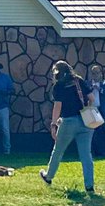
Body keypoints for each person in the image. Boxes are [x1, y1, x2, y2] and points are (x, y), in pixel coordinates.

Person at [38, 61, 96, 194]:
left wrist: (53, 124)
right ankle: (89, 185)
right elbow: (92, 98)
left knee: (58, 151)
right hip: (85, 121)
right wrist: (88, 109)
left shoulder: (59, 86)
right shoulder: (79, 81)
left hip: (68, 121)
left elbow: (58, 106)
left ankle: (48, 177)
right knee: (86, 154)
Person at [88, 65, 105, 158]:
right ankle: (98, 152)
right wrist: (92, 88)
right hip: (93, 110)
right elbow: (84, 94)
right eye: (93, 73)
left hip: (103, 109)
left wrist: (99, 89)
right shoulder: (88, 84)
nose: (95, 75)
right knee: (95, 132)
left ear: (101, 74)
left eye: (97, 73)